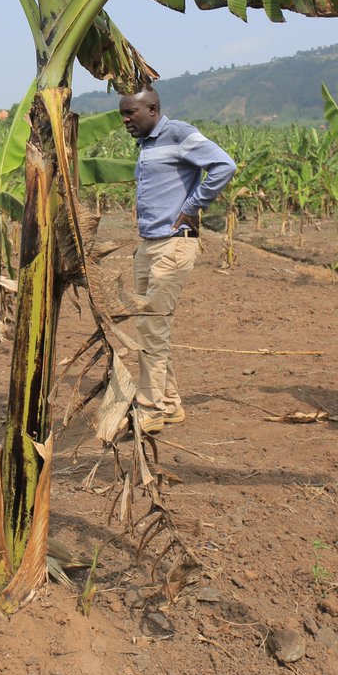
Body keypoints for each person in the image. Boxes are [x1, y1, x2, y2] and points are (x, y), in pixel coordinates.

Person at [118, 86, 237, 434]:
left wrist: (191, 207)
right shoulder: (147, 144)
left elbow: (223, 165)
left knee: (151, 327)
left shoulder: (179, 133)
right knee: (149, 325)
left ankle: (150, 410)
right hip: (149, 245)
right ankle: (169, 404)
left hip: (173, 245)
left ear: (153, 109)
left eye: (131, 113)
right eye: (122, 114)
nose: (125, 120)